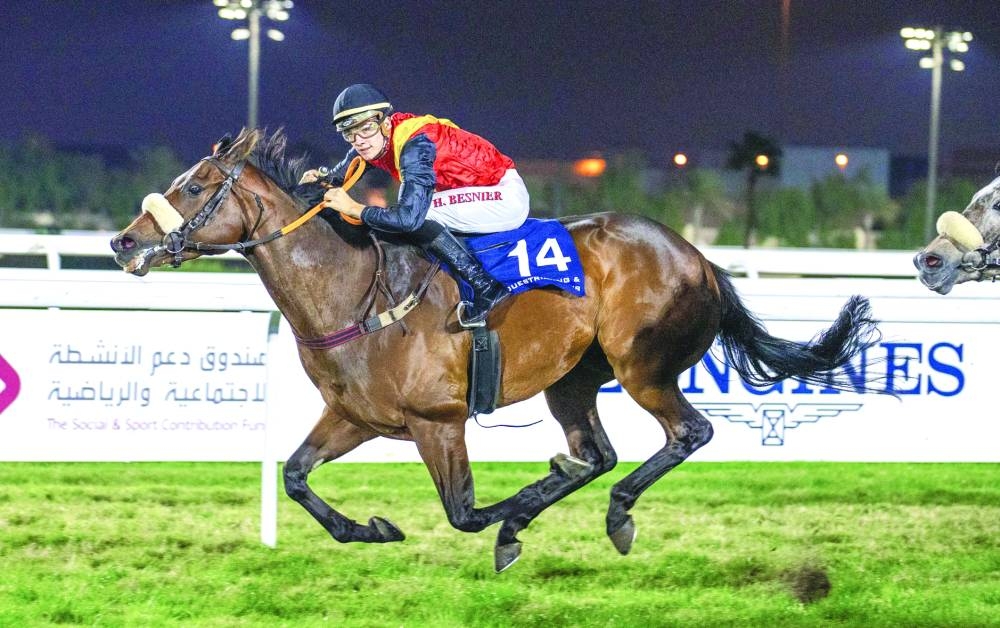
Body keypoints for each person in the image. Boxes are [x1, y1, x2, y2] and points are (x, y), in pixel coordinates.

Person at [302, 84, 529, 328]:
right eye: (350, 134)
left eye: (366, 129)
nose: (359, 141)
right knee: (410, 206)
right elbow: (347, 171)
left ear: (385, 123)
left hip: (502, 194)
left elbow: (409, 219)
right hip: (472, 191)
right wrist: (320, 181)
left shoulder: (415, 146)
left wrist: (355, 209)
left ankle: (486, 287)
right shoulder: (378, 139)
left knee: (419, 213)